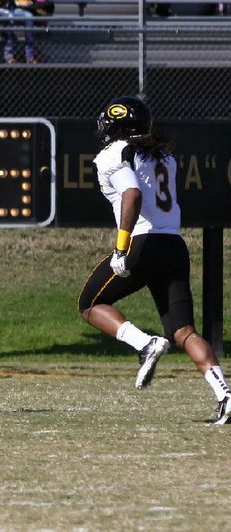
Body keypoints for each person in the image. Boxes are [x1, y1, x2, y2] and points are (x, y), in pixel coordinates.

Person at [78, 95, 231, 424]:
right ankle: (225, 394)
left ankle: (145, 344)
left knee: (89, 303)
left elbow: (131, 195)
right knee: (184, 331)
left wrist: (121, 247)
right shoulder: (164, 155)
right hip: (173, 244)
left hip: (143, 242)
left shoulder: (113, 154)